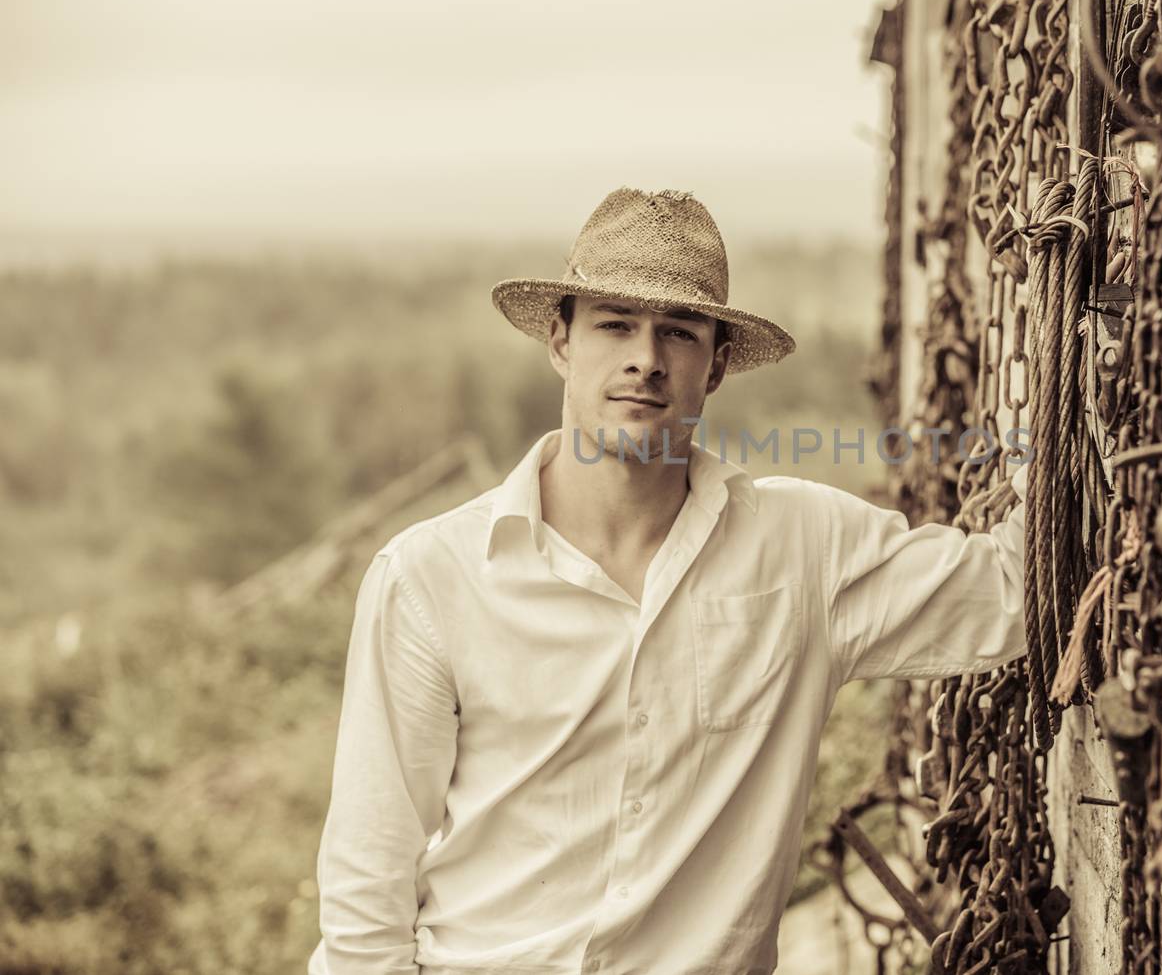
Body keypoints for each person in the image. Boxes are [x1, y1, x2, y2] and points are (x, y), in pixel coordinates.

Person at [309, 187, 1031, 974]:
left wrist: (1075, 365)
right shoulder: (430, 577)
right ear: (561, 340)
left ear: (716, 364)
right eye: (615, 324)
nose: (645, 360)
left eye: (678, 333)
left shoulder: (804, 550)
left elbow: (1013, 593)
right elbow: (367, 889)